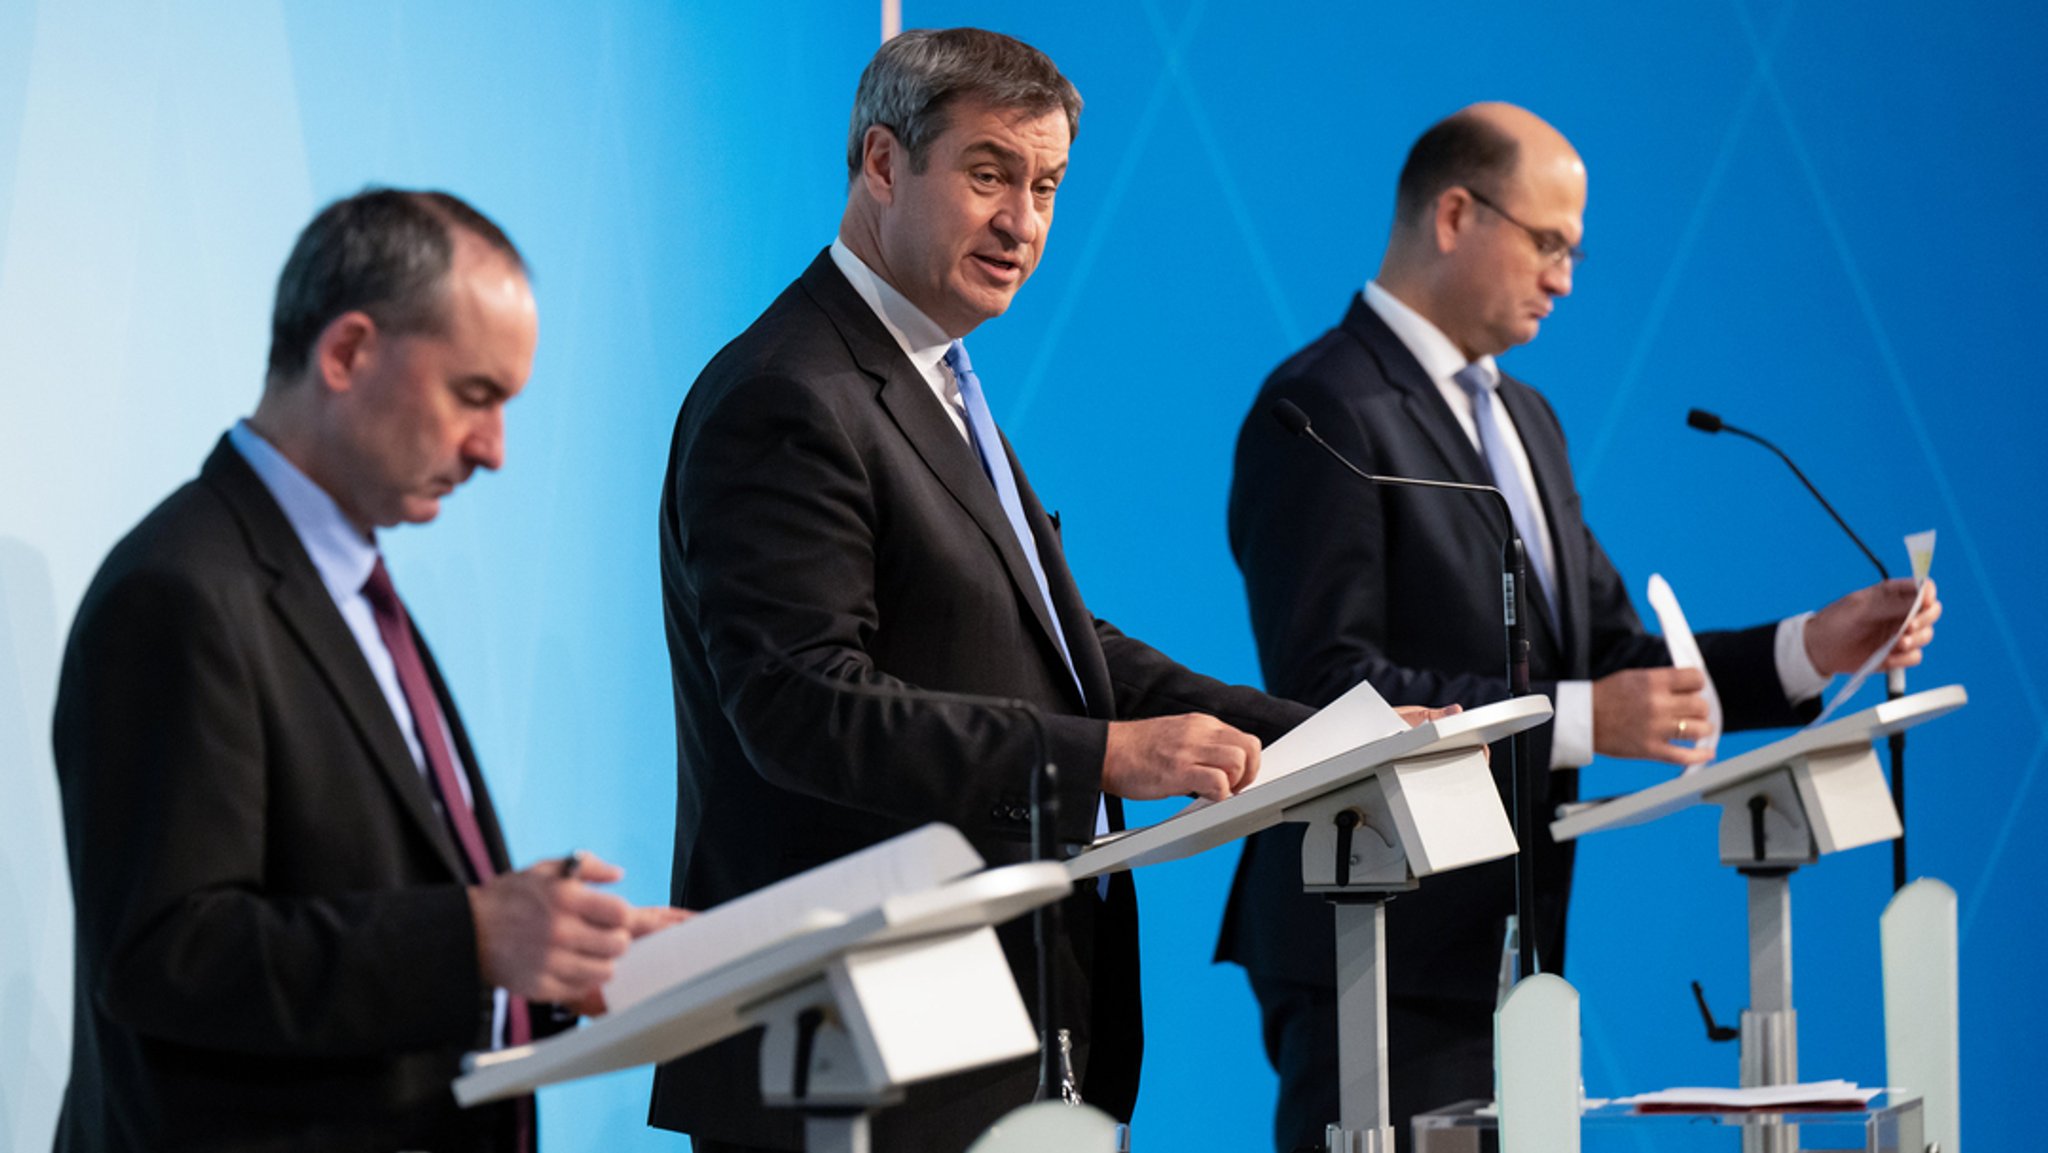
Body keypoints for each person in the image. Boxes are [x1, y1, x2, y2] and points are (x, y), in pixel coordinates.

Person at [646, 27, 1402, 1152]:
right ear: (881, 164)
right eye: (989, 173)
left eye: (1045, 186)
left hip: (994, 1034)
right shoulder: (787, 394)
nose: (1022, 223)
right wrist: (1097, 759)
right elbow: (800, 706)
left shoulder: (931, 379)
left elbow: (1060, 647)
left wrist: (1341, 738)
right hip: (848, 1058)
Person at [1215, 103, 1942, 1153]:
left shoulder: (1526, 418)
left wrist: (1810, 647)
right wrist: (1575, 720)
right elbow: (1328, 684)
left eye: (1573, 251)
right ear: (1455, 214)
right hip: (1375, 932)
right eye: (1547, 243)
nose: (1563, 277)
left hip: (1511, 939)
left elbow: (1607, 657)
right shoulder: (1321, 405)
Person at [53, 188, 683, 1153]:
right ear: (346, 353)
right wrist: (472, 937)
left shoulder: (345, 582)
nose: (496, 450)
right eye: (475, 396)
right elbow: (167, 956)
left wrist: (547, 956)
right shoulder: (178, 591)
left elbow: (360, 904)